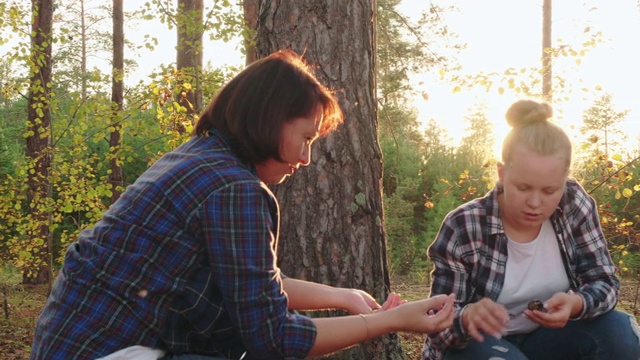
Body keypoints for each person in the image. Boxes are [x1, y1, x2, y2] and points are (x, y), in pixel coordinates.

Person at [30, 49, 456, 360]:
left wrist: (343, 296)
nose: (306, 159)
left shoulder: (196, 159)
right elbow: (272, 339)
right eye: (305, 138)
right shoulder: (234, 189)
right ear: (270, 118)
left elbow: (252, 284)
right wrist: (389, 322)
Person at [422, 99, 640, 360]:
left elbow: (604, 281)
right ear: (502, 173)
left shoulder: (574, 205)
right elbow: (436, 324)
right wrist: (466, 316)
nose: (535, 203)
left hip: (549, 340)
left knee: (620, 332)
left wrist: (577, 304)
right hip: (477, 345)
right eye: (523, 188)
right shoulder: (464, 225)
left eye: (550, 191)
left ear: (564, 180)